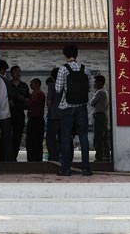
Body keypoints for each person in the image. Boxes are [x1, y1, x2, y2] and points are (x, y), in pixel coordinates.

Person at [54, 43, 92, 176]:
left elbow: (58, 89)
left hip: (67, 107)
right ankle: (86, 168)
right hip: (82, 107)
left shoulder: (63, 69)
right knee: (83, 136)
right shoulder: (85, 69)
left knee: (65, 136)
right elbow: (89, 88)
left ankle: (65, 168)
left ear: (65, 55)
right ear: (77, 54)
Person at [10, 65, 30, 160]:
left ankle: (14, 157)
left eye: (19, 71)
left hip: (19, 114)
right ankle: (6, 157)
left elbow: (28, 101)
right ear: (11, 73)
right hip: (8, 115)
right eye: (15, 71)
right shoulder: (8, 85)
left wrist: (24, 100)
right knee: (8, 136)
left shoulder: (24, 86)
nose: (18, 73)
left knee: (18, 136)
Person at [90, 74, 111, 162]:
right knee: (104, 137)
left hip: (99, 116)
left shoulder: (100, 92)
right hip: (103, 115)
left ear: (100, 82)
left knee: (98, 137)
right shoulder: (104, 92)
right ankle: (106, 156)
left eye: (95, 82)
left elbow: (92, 102)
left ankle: (99, 157)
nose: (94, 84)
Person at [0, 60, 14, 162]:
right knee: (6, 137)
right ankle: (6, 159)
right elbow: (11, 95)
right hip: (4, 113)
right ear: (2, 70)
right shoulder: (5, 81)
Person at [25, 77, 45, 161]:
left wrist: (27, 101)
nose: (30, 85)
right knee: (30, 140)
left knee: (37, 140)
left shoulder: (40, 95)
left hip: (38, 119)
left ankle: (37, 158)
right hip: (31, 119)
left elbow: (33, 104)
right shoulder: (32, 94)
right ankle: (30, 158)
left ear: (37, 84)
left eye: (32, 83)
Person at [45, 68, 62, 163]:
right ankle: (65, 156)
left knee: (51, 138)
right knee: (63, 137)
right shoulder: (65, 85)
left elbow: (49, 101)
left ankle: (53, 156)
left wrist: (49, 110)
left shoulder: (52, 86)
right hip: (64, 115)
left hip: (53, 115)